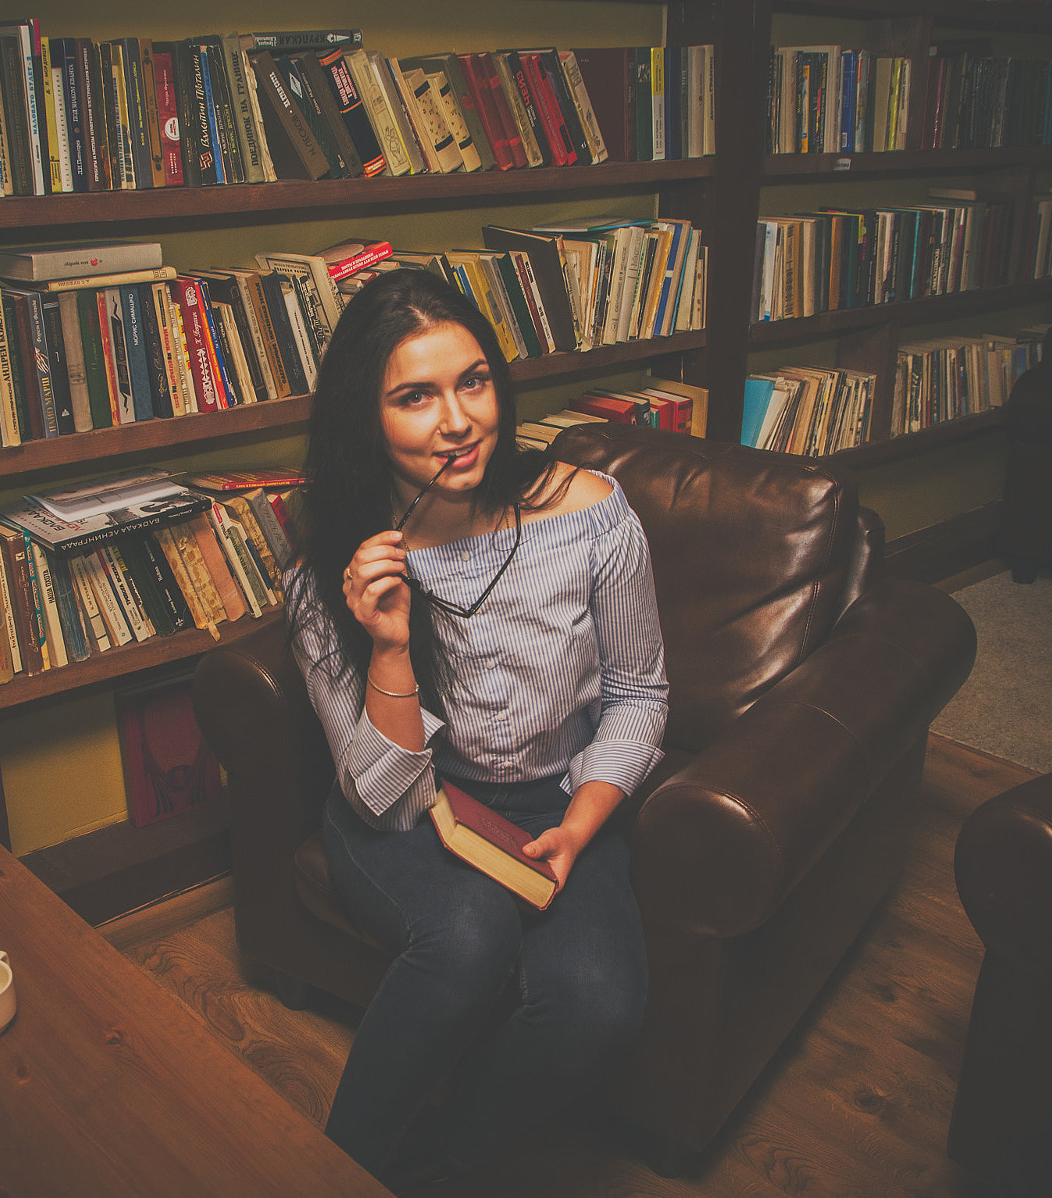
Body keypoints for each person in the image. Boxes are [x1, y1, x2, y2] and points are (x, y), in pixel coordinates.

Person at [284, 267, 668, 1187]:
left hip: (555, 799)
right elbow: (379, 791)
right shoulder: (333, 573)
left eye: (473, 381)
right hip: (416, 812)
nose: (456, 421)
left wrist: (582, 821)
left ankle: (439, 1171)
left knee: (601, 1004)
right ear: (366, 420)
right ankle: (340, 1172)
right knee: (468, 936)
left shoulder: (590, 516)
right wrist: (387, 645)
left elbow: (642, 693)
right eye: (414, 397)